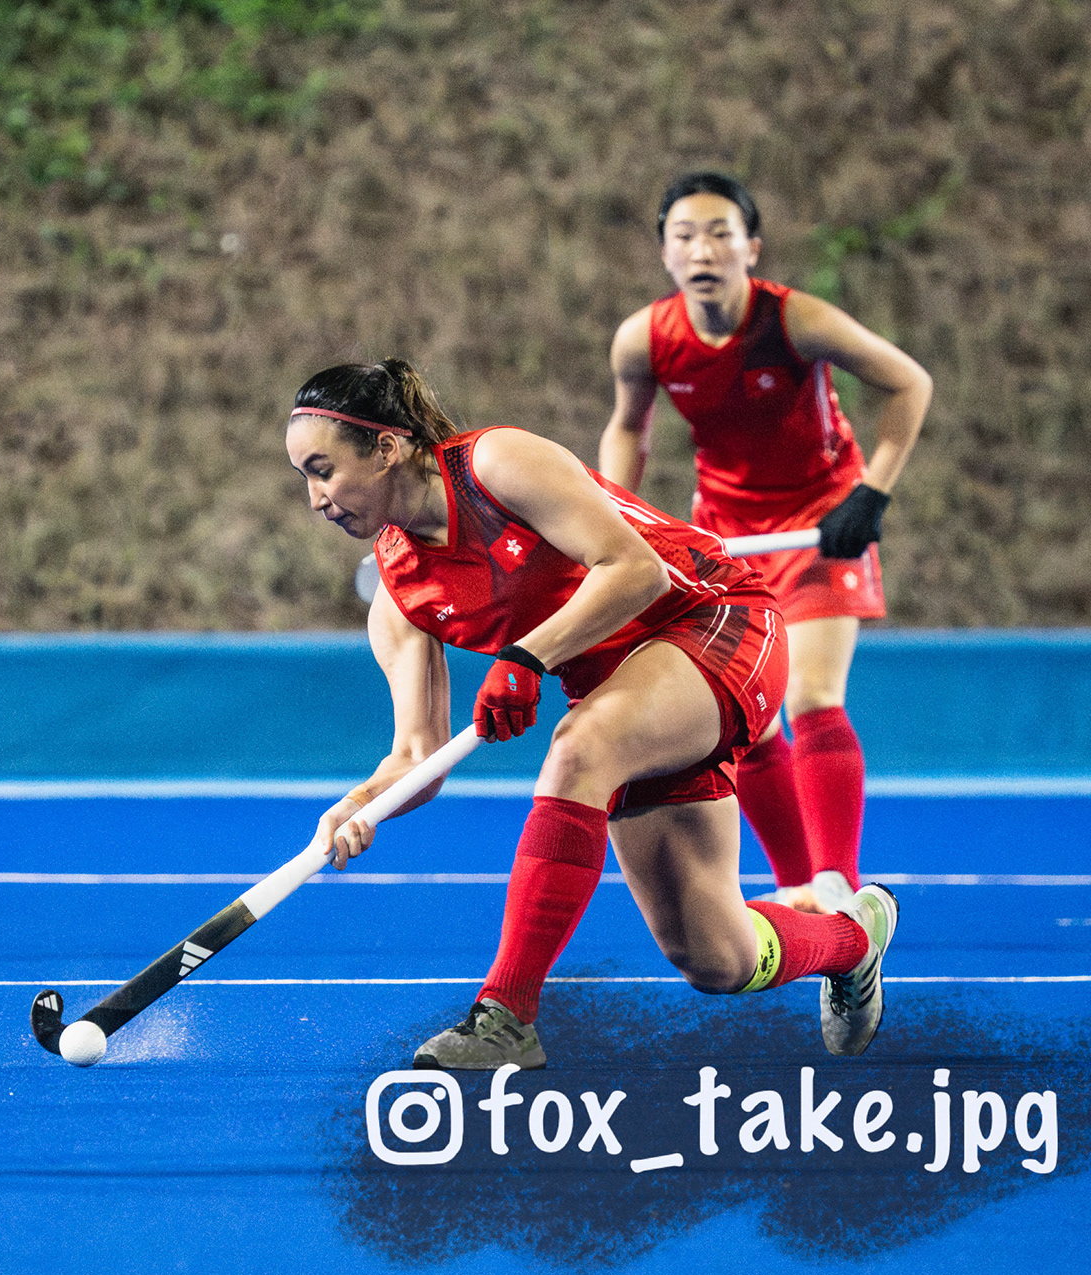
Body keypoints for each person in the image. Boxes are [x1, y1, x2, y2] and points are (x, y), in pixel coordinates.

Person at [287, 359, 898, 1069]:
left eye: (323, 471)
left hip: (716, 620)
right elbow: (417, 757)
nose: (315, 499)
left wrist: (527, 658)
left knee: (579, 747)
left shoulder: (494, 465)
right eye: (304, 478)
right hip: (628, 697)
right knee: (717, 958)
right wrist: (363, 802)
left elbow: (634, 570)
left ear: (386, 448)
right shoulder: (398, 600)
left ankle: (505, 1015)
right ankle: (855, 940)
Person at [600, 172, 932, 914]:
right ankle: (796, 886)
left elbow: (910, 384)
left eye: (721, 233)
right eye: (685, 236)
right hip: (728, 536)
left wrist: (871, 492)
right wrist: (612, 518)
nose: (703, 250)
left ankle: (838, 886)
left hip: (821, 524)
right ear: (664, 252)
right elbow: (628, 429)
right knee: (745, 721)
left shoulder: (795, 320)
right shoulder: (644, 339)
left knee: (812, 695)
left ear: (751, 247)